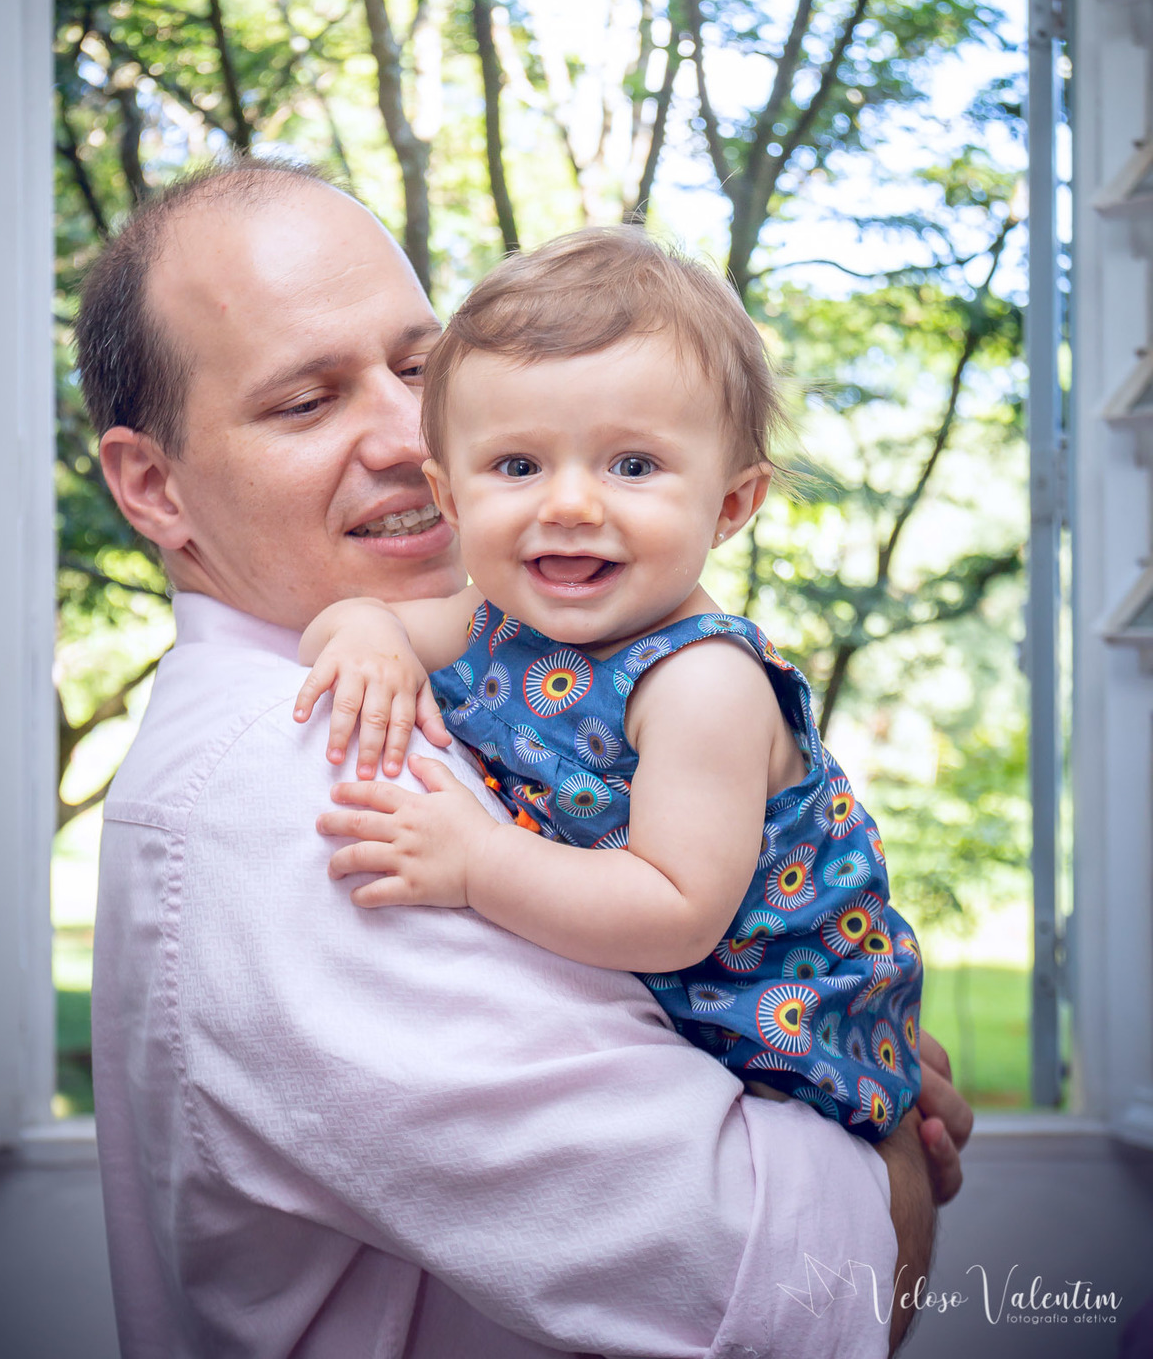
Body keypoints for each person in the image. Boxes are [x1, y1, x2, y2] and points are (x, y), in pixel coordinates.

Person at [83, 159, 970, 1358]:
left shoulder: (468, 673)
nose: (409, 435)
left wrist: (815, 1032)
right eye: (305, 401)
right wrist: (887, 1149)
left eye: (417, 366)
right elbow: (794, 1289)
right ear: (154, 486)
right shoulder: (316, 778)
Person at [297, 228, 921, 1138]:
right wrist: (362, 636)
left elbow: (673, 913)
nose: (571, 504)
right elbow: (363, 617)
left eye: (633, 466)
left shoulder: (702, 682)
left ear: (732, 504)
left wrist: (478, 863)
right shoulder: (489, 619)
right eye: (519, 465)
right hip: (660, 1014)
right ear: (453, 496)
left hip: (778, 1034)